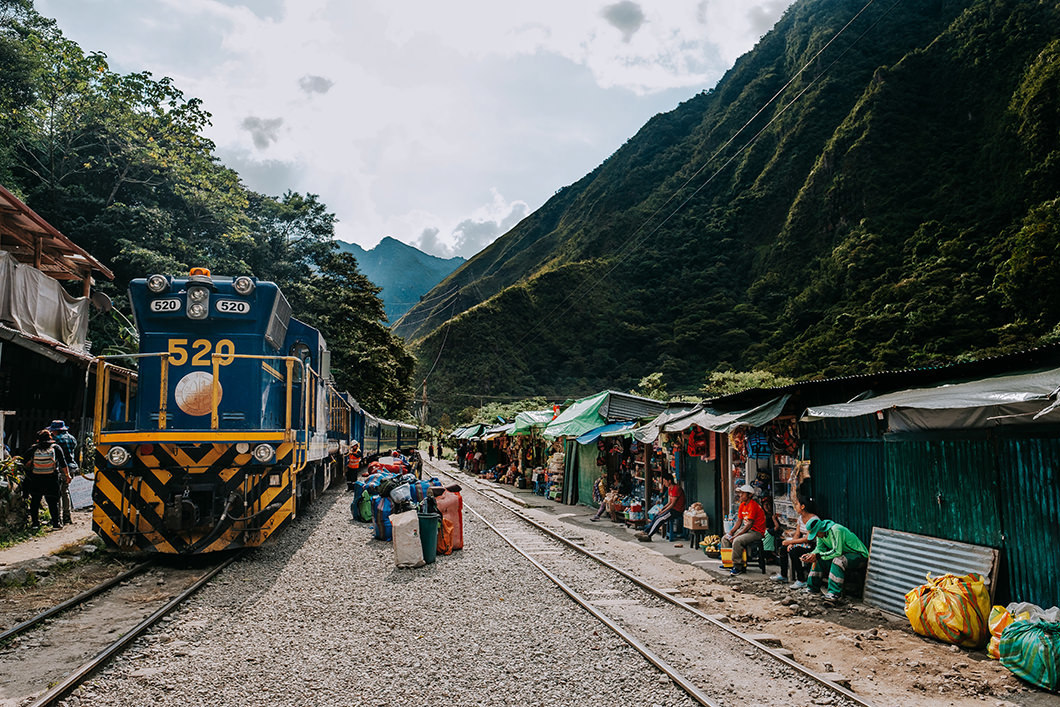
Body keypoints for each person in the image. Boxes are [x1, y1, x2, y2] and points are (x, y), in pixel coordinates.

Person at [801, 516, 869, 602]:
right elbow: (819, 549)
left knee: (838, 560)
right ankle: (812, 588)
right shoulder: (821, 534)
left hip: (859, 556)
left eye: (816, 533)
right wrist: (811, 555)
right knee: (818, 560)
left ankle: (834, 593)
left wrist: (818, 555)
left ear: (821, 529)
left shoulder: (836, 529)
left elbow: (837, 552)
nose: (816, 536)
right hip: (843, 555)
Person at [23, 429, 70, 529]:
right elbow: (63, 463)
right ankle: (56, 524)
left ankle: (35, 523)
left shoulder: (33, 449)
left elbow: (23, 462)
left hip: (36, 479)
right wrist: (67, 475)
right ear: (50, 438)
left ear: (38, 440)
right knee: (53, 502)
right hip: (51, 479)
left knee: (35, 501)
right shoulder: (56, 448)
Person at [771, 495, 818, 588]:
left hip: (812, 545)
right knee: (783, 548)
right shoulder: (800, 518)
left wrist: (791, 543)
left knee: (794, 551)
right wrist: (792, 543)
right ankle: (783, 575)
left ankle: (801, 579)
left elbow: (808, 538)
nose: (795, 507)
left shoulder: (814, 519)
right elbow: (797, 534)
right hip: (802, 543)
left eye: (797, 504)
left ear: (803, 506)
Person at [721, 484, 766, 576]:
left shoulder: (753, 506)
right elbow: (739, 521)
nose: (740, 495)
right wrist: (731, 532)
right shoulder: (742, 505)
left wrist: (736, 536)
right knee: (725, 538)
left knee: (737, 541)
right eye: (740, 493)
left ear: (749, 495)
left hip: (756, 531)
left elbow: (749, 524)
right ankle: (729, 563)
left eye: (743, 493)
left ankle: (738, 566)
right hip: (746, 530)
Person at [635, 475, 685, 542]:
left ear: (669, 481)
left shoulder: (676, 488)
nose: (664, 483)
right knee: (656, 516)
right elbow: (669, 502)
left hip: (676, 510)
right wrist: (662, 509)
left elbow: (672, 504)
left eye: (665, 481)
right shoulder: (670, 488)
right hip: (671, 509)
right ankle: (646, 531)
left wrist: (663, 511)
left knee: (660, 519)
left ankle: (649, 536)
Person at [48, 420, 78, 524]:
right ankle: (67, 516)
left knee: (59, 492)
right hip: (72, 466)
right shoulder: (72, 438)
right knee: (65, 491)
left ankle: (58, 517)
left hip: (62, 468)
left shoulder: (56, 440)